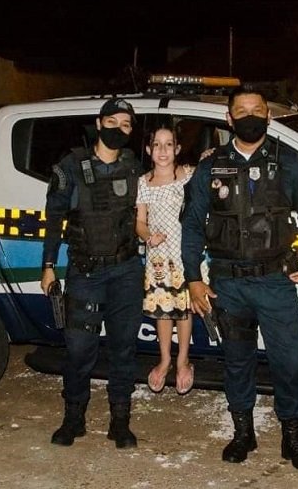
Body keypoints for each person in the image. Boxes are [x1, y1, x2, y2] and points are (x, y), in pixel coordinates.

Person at [181, 85, 298, 470]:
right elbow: (192, 224)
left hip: (276, 280)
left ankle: (293, 437)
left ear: (268, 116)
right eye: (241, 111)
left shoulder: (289, 163)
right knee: (237, 361)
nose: (249, 116)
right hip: (228, 283)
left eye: (257, 110)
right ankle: (243, 432)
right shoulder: (211, 167)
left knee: (291, 361)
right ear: (229, 119)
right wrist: (193, 278)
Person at [40, 97, 144, 449]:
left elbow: (167, 180)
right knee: (79, 350)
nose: (119, 129)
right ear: (99, 124)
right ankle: (74, 419)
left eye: (126, 125)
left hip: (126, 271)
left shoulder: (133, 166)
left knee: (123, 348)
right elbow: (54, 219)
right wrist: (48, 266)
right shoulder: (71, 167)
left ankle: (120, 422)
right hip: (86, 273)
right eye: (112, 122)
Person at [135, 124, 195, 395]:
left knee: (183, 309)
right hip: (158, 258)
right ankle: (164, 359)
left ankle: (183, 361)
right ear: (149, 150)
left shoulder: (188, 176)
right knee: (163, 308)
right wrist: (149, 237)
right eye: (156, 145)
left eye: (168, 144)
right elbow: (140, 222)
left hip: (184, 256)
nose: (162, 150)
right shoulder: (143, 183)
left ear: (177, 149)